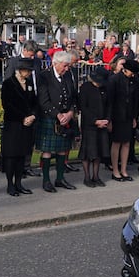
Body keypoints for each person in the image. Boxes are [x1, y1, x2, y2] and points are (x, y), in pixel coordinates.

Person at [35, 51, 78, 192]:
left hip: (66, 118)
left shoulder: (68, 76)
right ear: (55, 63)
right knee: (47, 151)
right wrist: (58, 115)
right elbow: (43, 100)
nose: (66, 69)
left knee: (62, 150)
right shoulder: (44, 76)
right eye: (65, 66)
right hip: (49, 118)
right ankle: (46, 180)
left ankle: (60, 179)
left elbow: (73, 96)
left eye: (68, 66)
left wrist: (71, 112)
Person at [3, 39, 42, 178]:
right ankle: (17, 168)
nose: (32, 58)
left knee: (30, 139)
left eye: (33, 55)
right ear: (24, 50)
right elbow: (7, 83)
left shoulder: (37, 62)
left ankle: (27, 165)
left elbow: (39, 79)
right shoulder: (14, 62)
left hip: (33, 103)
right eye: (30, 54)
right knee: (17, 140)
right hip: (18, 106)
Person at [0, 57, 37, 197]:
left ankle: (19, 183)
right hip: (13, 124)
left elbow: (34, 102)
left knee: (22, 155)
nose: (28, 74)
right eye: (27, 71)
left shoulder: (29, 84)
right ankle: (10, 184)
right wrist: (23, 117)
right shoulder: (8, 84)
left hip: (27, 124)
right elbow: (7, 105)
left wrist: (33, 115)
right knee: (11, 156)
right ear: (21, 70)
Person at [107, 58, 139, 181]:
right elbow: (110, 101)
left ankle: (124, 170)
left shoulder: (133, 81)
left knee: (127, 143)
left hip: (128, 115)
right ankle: (115, 170)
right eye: (132, 72)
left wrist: (134, 117)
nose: (133, 75)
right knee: (116, 143)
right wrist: (109, 119)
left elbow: (134, 100)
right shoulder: (114, 80)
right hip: (116, 116)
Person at [78, 66, 110, 187]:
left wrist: (107, 119)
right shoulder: (85, 87)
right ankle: (87, 177)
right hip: (90, 124)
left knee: (99, 152)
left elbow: (109, 105)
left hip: (103, 123)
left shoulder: (105, 88)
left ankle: (96, 176)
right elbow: (83, 107)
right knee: (88, 152)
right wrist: (95, 121)